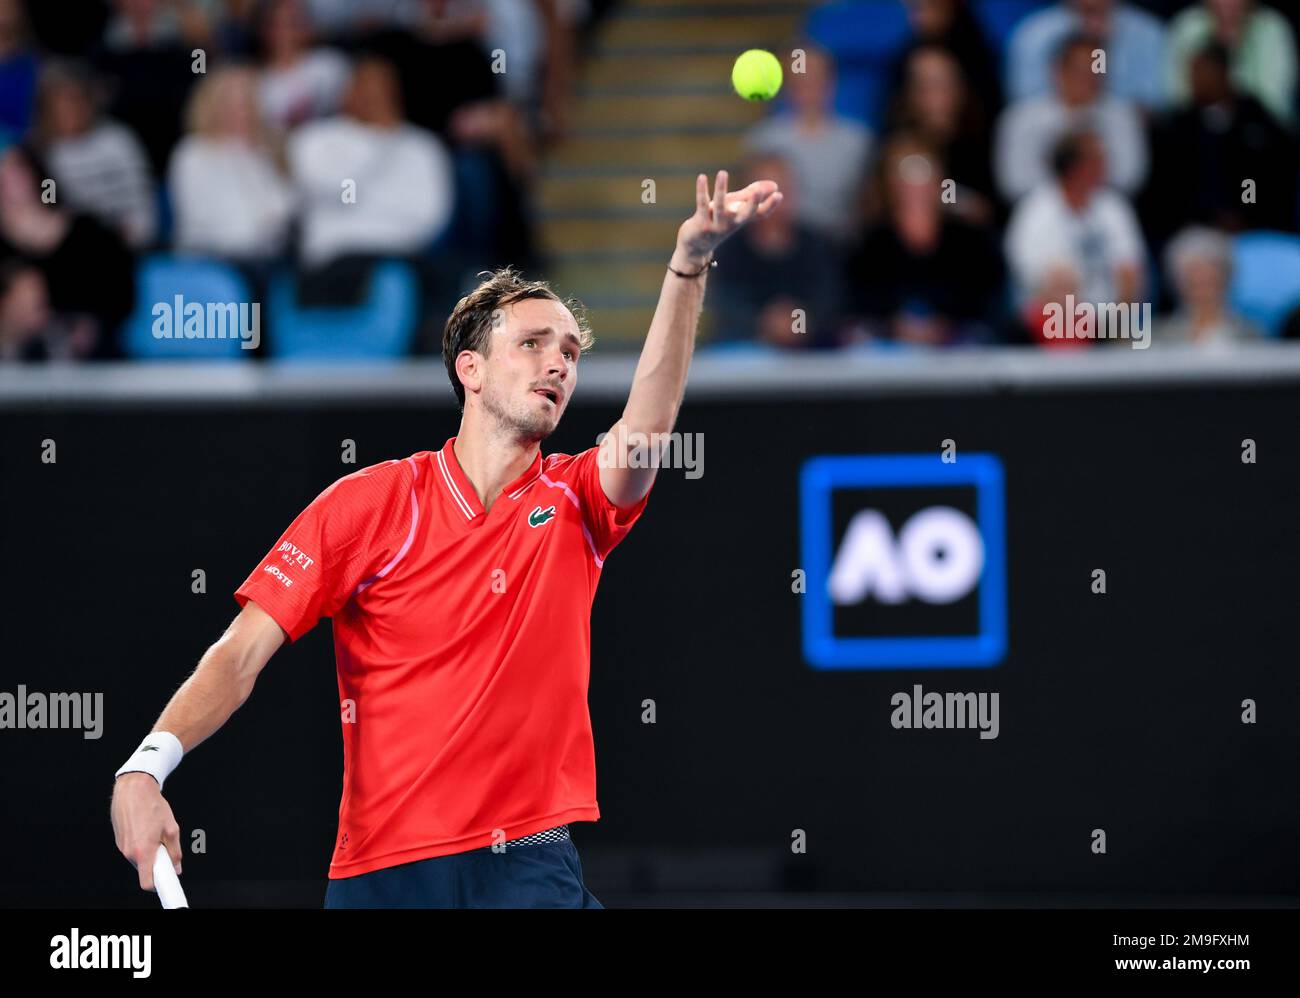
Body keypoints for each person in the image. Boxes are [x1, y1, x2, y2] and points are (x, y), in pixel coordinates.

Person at [109, 168, 783, 908]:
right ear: (471, 369)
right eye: (532, 343)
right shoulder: (364, 505)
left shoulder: (576, 499)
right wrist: (145, 767)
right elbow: (239, 656)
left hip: (529, 866)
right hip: (384, 876)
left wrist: (688, 265)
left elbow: (647, 431)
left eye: (570, 351)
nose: (558, 362)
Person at [1004, 130, 1146, 344]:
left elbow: (1129, 271)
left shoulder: (1113, 207)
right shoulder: (1036, 210)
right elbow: (1035, 283)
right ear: (1075, 167)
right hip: (1052, 322)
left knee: (1138, 332)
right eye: (1097, 159)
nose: (1105, 165)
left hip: (1106, 325)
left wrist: (1117, 325)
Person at [995, 32, 1147, 203]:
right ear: (1057, 70)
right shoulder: (1021, 118)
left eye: (1095, 70)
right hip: (1040, 208)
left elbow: (1129, 177)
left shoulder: (1121, 115)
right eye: (1080, 70)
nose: (1088, 78)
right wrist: (1066, 193)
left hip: (1103, 205)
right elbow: (1014, 183)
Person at [168, 64, 294, 261]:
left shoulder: (263, 154)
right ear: (213, 108)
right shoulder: (192, 153)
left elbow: (286, 209)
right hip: (210, 258)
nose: (240, 112)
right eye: (231, 105)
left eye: (247, 104)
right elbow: (204, 221)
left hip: (264, 256)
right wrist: (262, 225)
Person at [1156, 225, 1260, 346]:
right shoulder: (1159, 335)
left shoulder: (1250, 334)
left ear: (1226, 279)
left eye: (1210, 281)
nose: (1203, 289)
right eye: (1194, 282)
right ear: (1178, 283)